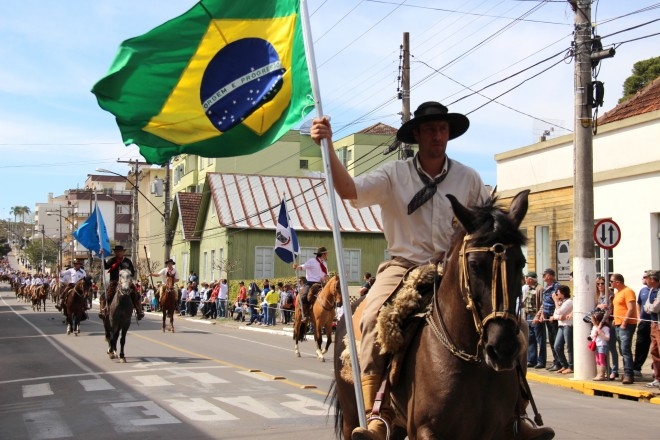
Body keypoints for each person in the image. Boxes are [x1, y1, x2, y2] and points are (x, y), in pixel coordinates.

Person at [310, 102, 552, 440]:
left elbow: (482, 227)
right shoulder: (394, 175)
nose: (437, 135)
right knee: (371, 318)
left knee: (514, 326)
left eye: (442, 129)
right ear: (418, 136)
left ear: (448, 134)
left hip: (454, 266)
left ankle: (517, 415)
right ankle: (375, 414)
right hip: (403, 265)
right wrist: (328, 147)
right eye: (429, 129)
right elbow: (350, 190)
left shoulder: (469, 177)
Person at [99, 245, 143, 320]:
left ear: (123, 252)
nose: (118, 253)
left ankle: (139, 311)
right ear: (115, 252)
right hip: (114, 281)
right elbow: (105, 266)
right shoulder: (112, 260)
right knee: (105, 295)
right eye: (117, 252)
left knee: (136, 294)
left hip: (126, 281)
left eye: (120, 251)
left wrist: (128, 276)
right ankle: (103, 310)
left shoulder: (127, 261)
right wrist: (102, 257)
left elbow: (132, 271)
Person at [610, 273, 638, 384]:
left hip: (626, 324)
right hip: (618, 323)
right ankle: (627, 371)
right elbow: (619, 307)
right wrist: (615, 320)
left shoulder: (628, 291)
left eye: (612, 281)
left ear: (618, 282)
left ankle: (629, 374)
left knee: (625, 349)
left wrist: (624, 322)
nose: (610, 283)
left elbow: (631, 308)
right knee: (622, 349)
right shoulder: (617, 293)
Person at [292, 246, 330, 320]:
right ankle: (305, 313)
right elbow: (303, 267)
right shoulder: (312, 261)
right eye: (326, 253)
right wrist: (296, 267)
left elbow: (327, 274)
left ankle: (330, 313)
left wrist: (325, 277)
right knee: (304, 296)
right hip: (311, 283)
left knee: (331, 295)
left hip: (322, 284)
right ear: (323, 254)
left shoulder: (324, 264)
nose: (327, 255)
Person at [594, 275, 619, 380]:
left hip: (608, 324)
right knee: (601, 348)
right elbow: (596, 310)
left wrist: (601, 323)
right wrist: (598, 306)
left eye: (602, 283)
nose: (600, 285)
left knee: (612, 347)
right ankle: (606, 369)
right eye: (598, 284)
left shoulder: (610, 295)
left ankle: (615, 370)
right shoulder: (598, 296)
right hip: (600, 324)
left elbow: (609, 310)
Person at [633, 270, 654, 377]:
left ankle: (655, 369)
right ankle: (637, 368)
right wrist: (639, 317)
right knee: (641, 345)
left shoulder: (657, 291)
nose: (643, 278)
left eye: (645, 277)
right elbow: (638, 303)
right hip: (644, 322)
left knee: (655, 347)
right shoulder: (643, 290)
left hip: (655, 322)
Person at [524, 272, 546, 369]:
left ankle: (541, 361)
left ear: (530, 279)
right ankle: (531, 360)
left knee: (540, 339)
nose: (525, 280)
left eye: (526, 278)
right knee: (530, 339)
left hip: (535, 316)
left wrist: (538, 316)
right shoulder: (528, 288)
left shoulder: (540, 289)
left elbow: (543, 304)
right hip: (528, 316)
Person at [540, 268, 561, 371]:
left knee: (555, 340)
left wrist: (554, 314)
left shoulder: (556, 286)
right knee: (552, 340)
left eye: (545, 275)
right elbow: (544, 302)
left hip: (554, 316)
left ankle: (559, 362)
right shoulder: (547, 287)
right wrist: (542, 313)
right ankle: (555, 361)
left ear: (551, 276)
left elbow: (559, 301)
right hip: (547, 316)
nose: (543, 277)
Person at [643, 270, 660, 388]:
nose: (645, 280)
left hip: (659, 325)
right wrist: (650, 307)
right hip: (653, 324)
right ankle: (658, 378)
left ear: (652, 279)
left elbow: (655, 308)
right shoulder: (651, 291)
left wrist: (649, 307)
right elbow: (646, 307)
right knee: (654, 351)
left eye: (646, 278)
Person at [552, 285, 573, 374]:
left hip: (568, 325)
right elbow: (555, 315)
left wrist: (556, 301)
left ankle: (571, 366)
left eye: (558, 292)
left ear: (563, 293)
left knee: (569, 346)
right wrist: (559, 316)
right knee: (557, 346)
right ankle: (564, 364)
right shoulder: (561, 302)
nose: (556, 294)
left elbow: (559, 312)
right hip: (561, 325)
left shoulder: (568, 302)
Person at [590, 309, 610, 381]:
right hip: (597, 345)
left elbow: (607, 338)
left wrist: (600, 333)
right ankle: (598, 374)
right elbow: (591, 336)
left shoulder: (605, 328)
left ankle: (602, 375)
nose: (592, 322)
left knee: (601, 360)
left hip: (602, 345)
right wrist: (594, 334)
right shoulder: (594, 327)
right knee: (597, 360)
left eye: (593, 320)